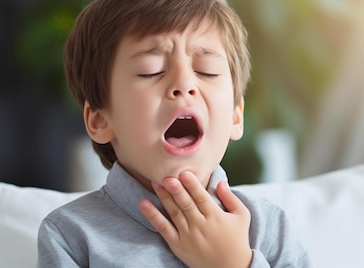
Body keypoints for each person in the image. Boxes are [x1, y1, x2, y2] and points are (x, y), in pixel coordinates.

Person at [37, 0, 312, 267]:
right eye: (151, 71)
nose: (184, 83)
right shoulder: (70, 236)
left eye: (207, 71)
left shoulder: (271, 230)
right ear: (99, 120)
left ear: (235, 116)